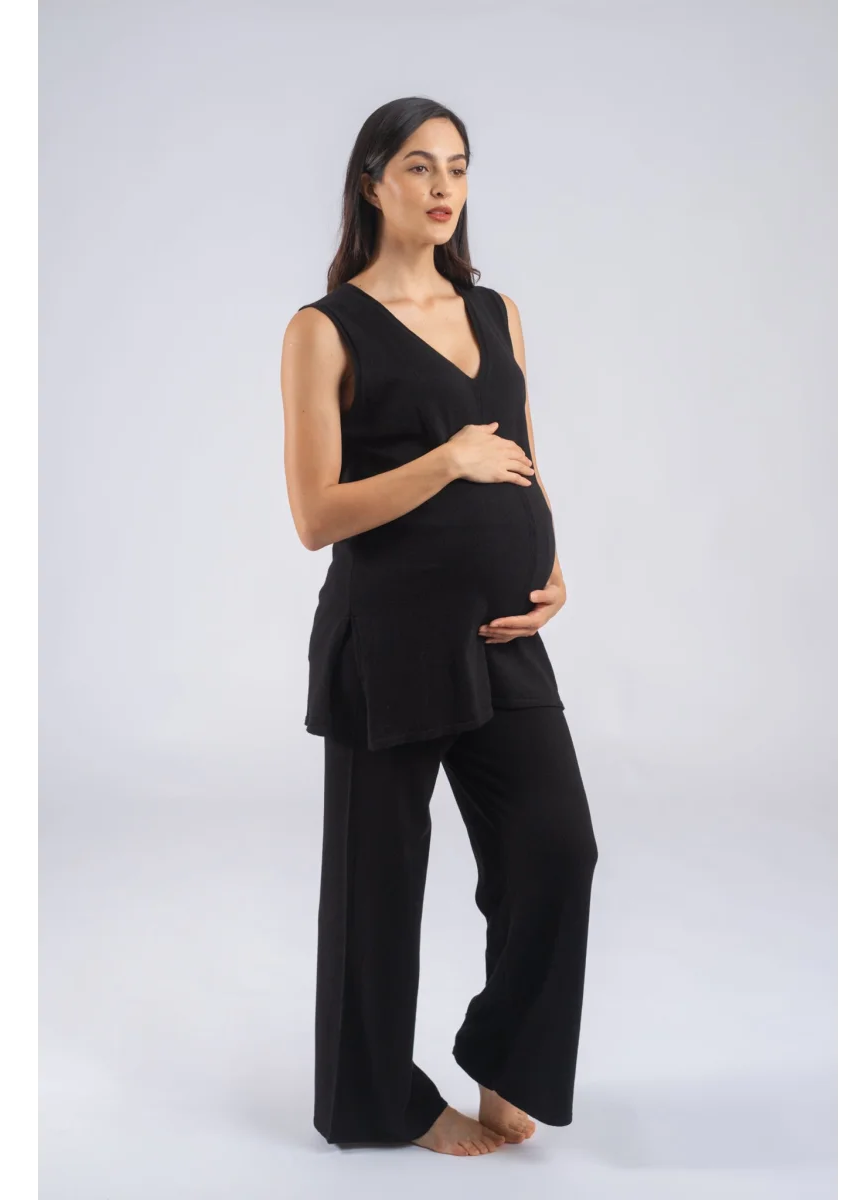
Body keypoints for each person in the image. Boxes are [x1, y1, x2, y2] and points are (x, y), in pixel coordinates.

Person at [280, 97, 598, 1157]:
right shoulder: (323, 329)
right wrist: (444, 461)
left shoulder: (496, 311)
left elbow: (522, 454)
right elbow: (316, 515)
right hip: (390, 641)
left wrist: (549, 559)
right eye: (418, 167)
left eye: (457, 166)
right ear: (372, 183)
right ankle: (381, 1104)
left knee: (558, 848)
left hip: (504, 633)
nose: (443, 187)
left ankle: (509, 1060)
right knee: (376, 889)